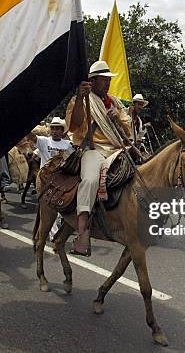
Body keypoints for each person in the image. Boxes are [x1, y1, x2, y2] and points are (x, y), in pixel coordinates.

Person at [65, 60, 132, 256]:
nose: (108, 84)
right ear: (93, 82)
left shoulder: (116, 103)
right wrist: (80, 99)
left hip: (117, 149)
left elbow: (128, 129)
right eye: (104, 80)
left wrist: (117, 118)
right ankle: (82, 231)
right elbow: (75, 126)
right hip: (95, 149)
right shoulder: (83, 100)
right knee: (90, 180)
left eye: (109, 80)